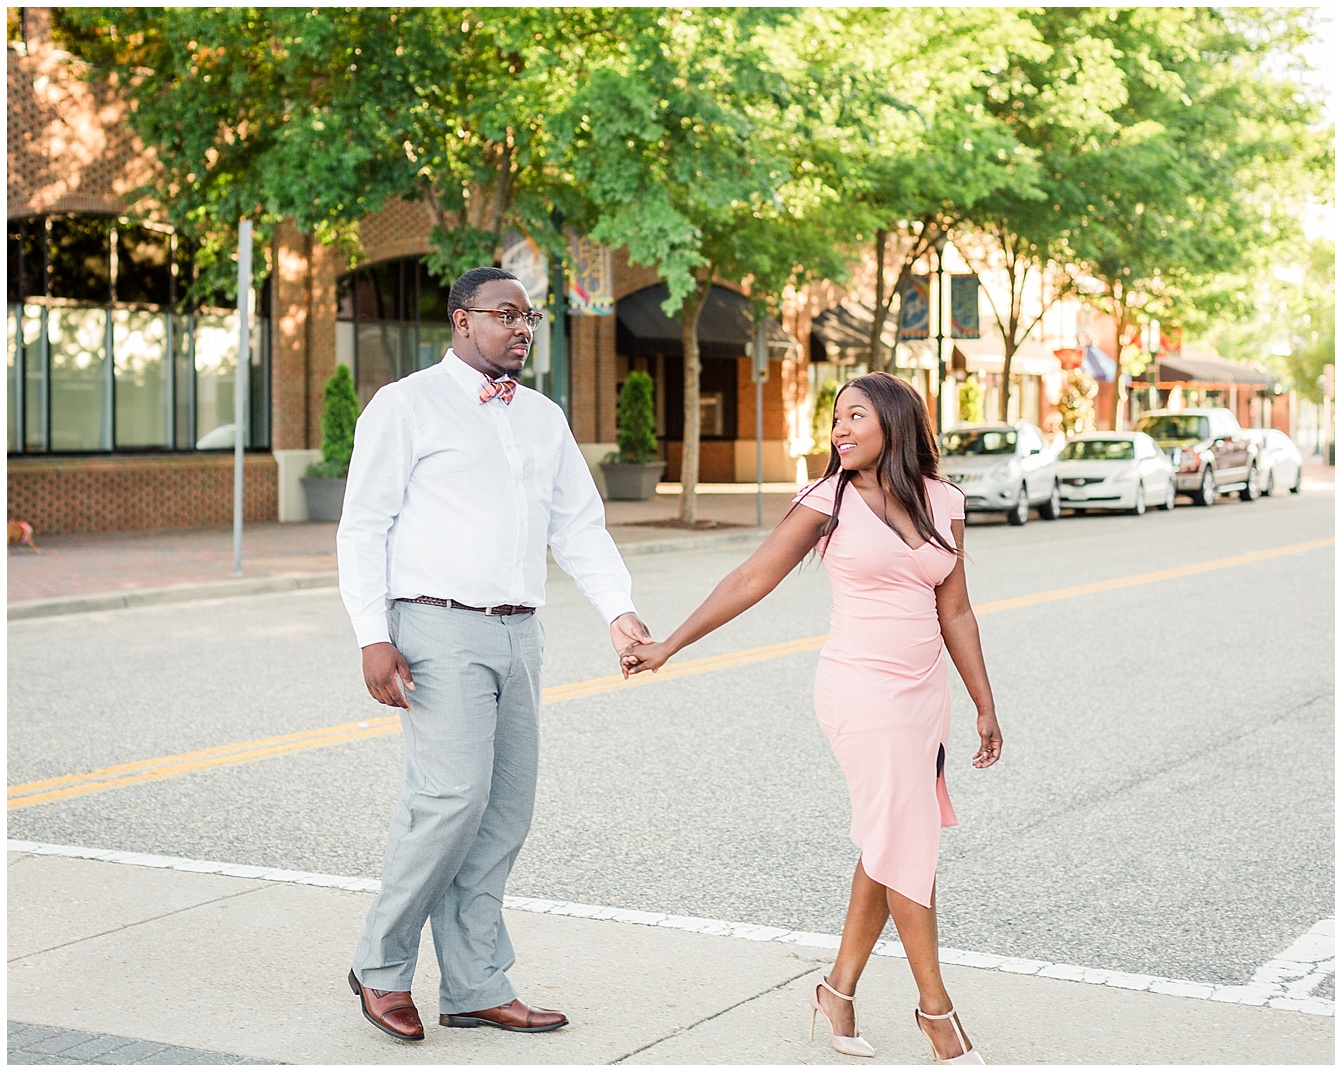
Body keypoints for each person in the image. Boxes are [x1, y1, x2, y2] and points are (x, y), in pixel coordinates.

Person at [621, 371, 1002, 1064]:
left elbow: (957, 610)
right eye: (835, 419)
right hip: (859, 691)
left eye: (854, 415)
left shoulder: (945, 501)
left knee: (890, 841)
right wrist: (670, 644)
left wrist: (983, 701)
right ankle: (937, 1017)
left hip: (924, 697)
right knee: (907, 842)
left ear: (894, 421)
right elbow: (750, 578)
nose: (840, 429)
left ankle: (838, 991)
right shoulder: (828, 499)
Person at [337, 266, 651, 1042]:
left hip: (521, 632)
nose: (521, 328)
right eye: (505, 315)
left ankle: (476, 982)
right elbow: (363, 525)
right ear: (460, 320)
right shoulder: (405, 405)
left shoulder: (543, 417)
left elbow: (578, 526)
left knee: (504, 814)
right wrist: (372, 634)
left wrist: (619, 612)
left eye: (529, 317)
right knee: (450, 803)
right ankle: (380, 965)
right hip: (435, 626)